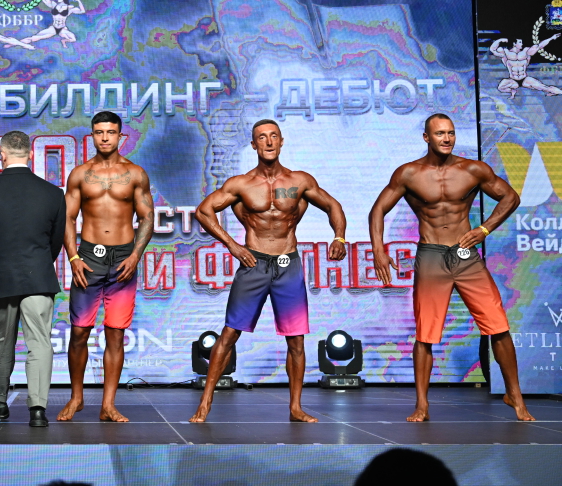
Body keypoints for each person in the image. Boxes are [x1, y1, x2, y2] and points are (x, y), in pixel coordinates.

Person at [369, 113, 535, 422]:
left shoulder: (472, 169)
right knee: (426, 334)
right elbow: (378, 209)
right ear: (426, 137)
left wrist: (484, 229)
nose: (447, 138)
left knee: (498, 325)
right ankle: (422, 405)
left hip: (465, 255)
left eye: (451, 133)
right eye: (440, 133)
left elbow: (510, 197)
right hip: (432, 255)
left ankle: (515, 394)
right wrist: (379, 250)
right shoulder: (408, 173)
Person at [188, 119, 346, 423]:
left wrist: (339, 237)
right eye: (262, 137)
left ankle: (296, 407)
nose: (269, 142)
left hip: (288, 264)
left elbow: (333, 206)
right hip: (254, 263)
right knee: (229, 333)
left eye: (274, 136)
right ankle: (205, 403)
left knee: (296, 340)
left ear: (282, 141)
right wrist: (233, 245)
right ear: (254, 145)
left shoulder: (301, 180)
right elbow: (203, 211)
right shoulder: (241, 184)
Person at [58, 111, 154, 423]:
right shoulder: (80, 174)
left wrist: (136, 255)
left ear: (120, 136)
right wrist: (73, 257)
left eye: (110, 132)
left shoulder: (135, 174)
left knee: (115, 334)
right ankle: (76, 398)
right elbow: (68, 218)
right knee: (79, 332)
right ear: (92, 135)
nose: (104, 137)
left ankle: (108, 405)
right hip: (88, 258)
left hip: (123, 259)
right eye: (99, 132)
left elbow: (147, 217)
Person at [0, 130, 66, 427]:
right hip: (38, 277)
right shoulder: (53, 194)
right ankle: (38, 410)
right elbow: (55, 242)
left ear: (2, 154)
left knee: (2, 342)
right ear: (31, 154)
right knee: (40, 343)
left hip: (0, 278)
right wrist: (37, 265)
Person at [21, 0, 86, 48]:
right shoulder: (54, 5)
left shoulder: (69, 8)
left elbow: (82, 11)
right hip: (53, 28)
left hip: (62, 29)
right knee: (35, 38)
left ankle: (64, 41)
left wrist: (78, 1)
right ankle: (16, 43)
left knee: (73, 39)